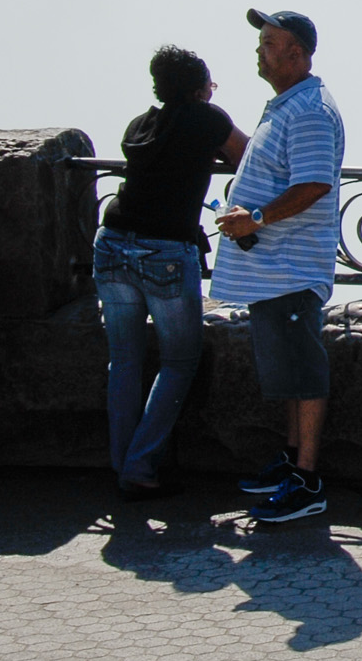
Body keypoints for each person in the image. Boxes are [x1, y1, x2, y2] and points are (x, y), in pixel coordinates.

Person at [94, 46, 247, 499]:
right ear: (201, 88)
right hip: (165, 249)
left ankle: (123, 462)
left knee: (124, 360)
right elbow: (247, 156)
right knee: (180, 360)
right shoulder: (207, 119)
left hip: (113, 242)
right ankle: (140, 467)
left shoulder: (140, 125)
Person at [213, 8, 345, 525]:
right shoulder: (287, 105)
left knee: (303, 371)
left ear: (298, 53)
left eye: (269, 42)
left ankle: (307, 481)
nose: (259, 49)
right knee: (288, 372)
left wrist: (258, 218)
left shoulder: (309, 110)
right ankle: (292, 465)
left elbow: (314, 184)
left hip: (291, 266)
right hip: (275, 270)